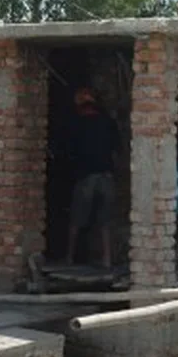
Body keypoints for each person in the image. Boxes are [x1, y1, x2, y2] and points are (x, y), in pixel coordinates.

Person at [59, 87, 120, 267]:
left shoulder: (75, 124)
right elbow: (117, 151)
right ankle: (107, 259)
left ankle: (69, 258)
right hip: (107, 176)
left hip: (86, 177)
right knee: (105, 221)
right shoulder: (108, 122)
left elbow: (69, 151)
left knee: (77, 219)